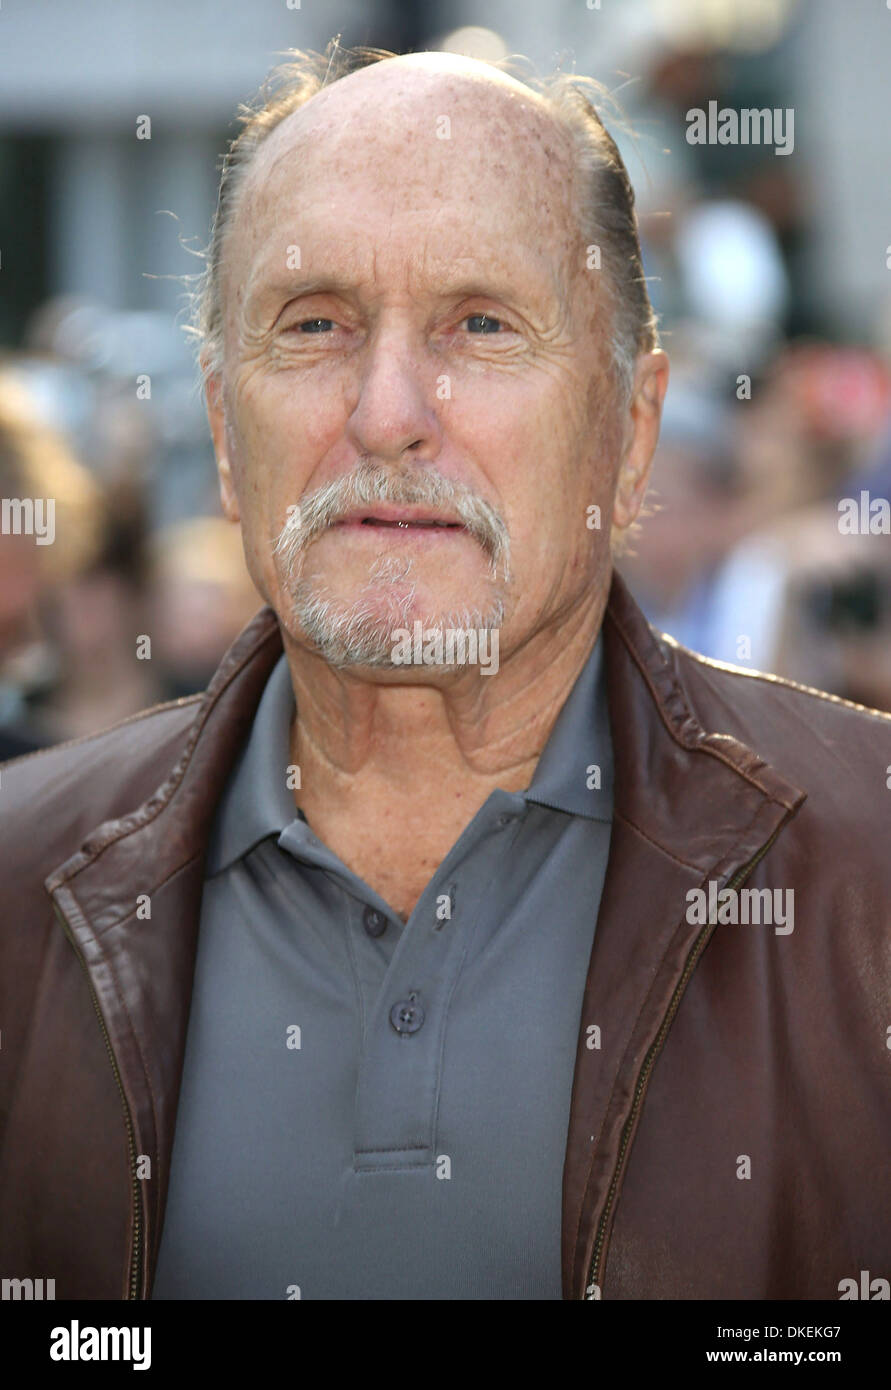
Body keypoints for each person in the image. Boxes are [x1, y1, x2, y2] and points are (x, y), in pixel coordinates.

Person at [0, 44, 888, 1302]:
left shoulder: (868, 876)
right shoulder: (19, 887)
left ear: (629, 437)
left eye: (482, 323)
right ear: (223, 430)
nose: (388, 411)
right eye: (314, 326)